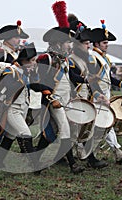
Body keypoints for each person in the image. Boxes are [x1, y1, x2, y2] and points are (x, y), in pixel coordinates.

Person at [34, 1, 85, 174]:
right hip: (52, 101)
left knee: (50, 135)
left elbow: (70, 78)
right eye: (67, 42)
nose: (70, 45)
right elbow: (37, 82)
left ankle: (34, 160)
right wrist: (49, 96)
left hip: (64, 100)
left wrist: (85, 80)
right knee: (65, 129)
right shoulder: (46, 58)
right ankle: (72, 165)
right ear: (58, 42)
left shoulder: (64, 60)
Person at [89, 21, 122, 165]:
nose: (106, 45)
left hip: (105, 96)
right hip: (97, 97)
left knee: (104, 125)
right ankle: (115, 152)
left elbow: (108, 77)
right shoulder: (92, 57)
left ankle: (109, 152)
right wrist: (97, 95)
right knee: (102, 125)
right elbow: (91, 80)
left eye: (107, 42)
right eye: (104, 42)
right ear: (96, 44)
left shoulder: (104, 58)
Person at [67, 15, 109, 169]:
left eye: (89, 43)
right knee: (70, 132)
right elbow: (71, 81)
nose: (89, 47)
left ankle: (89, 158)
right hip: (73, 99)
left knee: (84, 130)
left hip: (85, 99)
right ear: (77, 45)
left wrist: (98, 94)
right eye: (85, 44)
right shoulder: (71, 61)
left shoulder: (86, 60)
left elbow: (92, 81)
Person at [0, 42, 40, 170]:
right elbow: (6, 86)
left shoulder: (25, 72)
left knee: (10, 136)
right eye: (32, 60)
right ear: (25, 61)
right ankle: (36, 164)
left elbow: (34, 85)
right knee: (26, 134)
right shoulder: (12, 70)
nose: (35, 63)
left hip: (23, 108)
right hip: (12, 109)